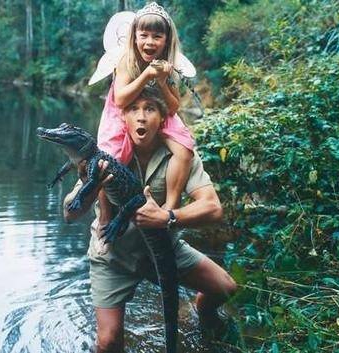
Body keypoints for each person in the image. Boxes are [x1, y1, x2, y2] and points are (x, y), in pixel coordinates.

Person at [64, 87, 237, 353]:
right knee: (108, 343)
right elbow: (69, 213)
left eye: (150, 109)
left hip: (165, 246)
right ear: (123, 117)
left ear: (162, 117)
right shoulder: (107, 153)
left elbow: (213, 208)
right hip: (114, 255)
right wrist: (91, 184)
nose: (141, 117)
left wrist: (168, 216)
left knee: (224, 288)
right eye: (133, 109)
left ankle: (200, 313)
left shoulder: (181, 155)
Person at [97, 2, 194, 217]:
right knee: (107, 158)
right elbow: (121, 100)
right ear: (135, 37)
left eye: (157, 36)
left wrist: (161, 81)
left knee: (185, 149)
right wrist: (147, 76)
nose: (150, 42)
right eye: (144, 35)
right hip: (123, 110)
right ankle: (104, 215)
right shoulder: (126, 61)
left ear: (166, 40)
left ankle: (170, 205)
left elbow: (174, 106)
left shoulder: (170, 64)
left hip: (158, 110)